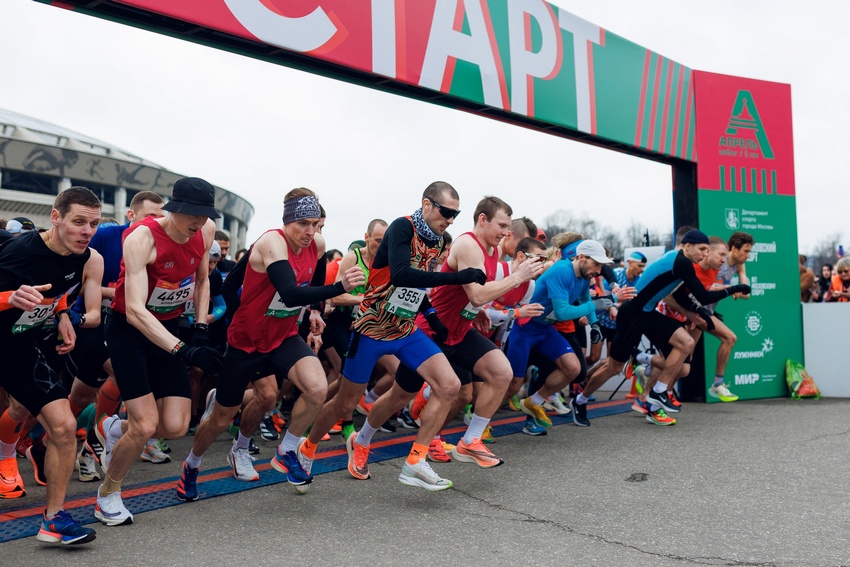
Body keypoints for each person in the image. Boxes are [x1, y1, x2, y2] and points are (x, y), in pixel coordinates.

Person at [176, 188, 365, 499]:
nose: (311, 231)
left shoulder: (317, 244)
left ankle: (283, 450)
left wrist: (315, 311)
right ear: (287, 221)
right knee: (224, 416)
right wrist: (338, 288)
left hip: (283, 336)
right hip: (247, 340)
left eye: (315, 224)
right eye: (303, 223)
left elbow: (314, 282)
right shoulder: (270, 243)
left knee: (313, 388)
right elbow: (287, 293)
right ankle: (192, 464)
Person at [298, 181, 486, 491]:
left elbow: (416, 286)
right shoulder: (402, 227)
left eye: (456, 214)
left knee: (449, 385)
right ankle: (307, 448)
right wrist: (458, 277)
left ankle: (415, 461)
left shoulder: (437, 241)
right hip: (372, 329)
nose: (451, 220)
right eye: (446, 212)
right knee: (345, 403)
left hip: (405, 330)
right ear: (427, 205)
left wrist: (432, 317)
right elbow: (401, 274)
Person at [362, 197, 545, 471]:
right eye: (501, 225)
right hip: (433, 331)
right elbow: (478, 293)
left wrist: (477, 310)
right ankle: (362, 439)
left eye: (508, 227)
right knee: (399, 396)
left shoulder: (493, 250)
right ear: (482, 219)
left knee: (499, 373)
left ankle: (469, 440)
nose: (506, 233)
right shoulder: (468, 244)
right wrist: (517, 277)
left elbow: (474, 296)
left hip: (461, 331)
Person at [93, 177, 223, 526]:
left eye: (204, 215)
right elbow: (136, 310)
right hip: (128, 330)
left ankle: (114, 428)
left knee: (176, 426)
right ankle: (108, 494)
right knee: (145, 424)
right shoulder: (142, 238)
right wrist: (184, 350)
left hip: (169, 327)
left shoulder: (205, 230)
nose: (197, 221)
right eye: (191, 214)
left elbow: (202, 280)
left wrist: (200, 328)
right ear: (173, 208)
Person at [0, 186, 101, 544]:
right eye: (79, 222)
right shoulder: (21, 252)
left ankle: (54, 519)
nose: (86, 231)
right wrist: (9, 296)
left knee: (64, 426)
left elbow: (57, 291)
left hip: (19, 350)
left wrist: (62, 315)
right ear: (55, 218)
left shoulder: (80, 256)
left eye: (93, 224)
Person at [577, 230, 750, 426]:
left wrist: (699, 312)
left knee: (685, 345)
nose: (705, 254)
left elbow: (681, 295)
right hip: (633, 314)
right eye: (702, 249)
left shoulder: (680, 260)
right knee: (613, 367)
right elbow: (703, 296)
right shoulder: (682, 263)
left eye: (707, 250)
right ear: (687, 247)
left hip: (648, 313)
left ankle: (657, 393)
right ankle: (580, 400)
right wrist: (736, 288)